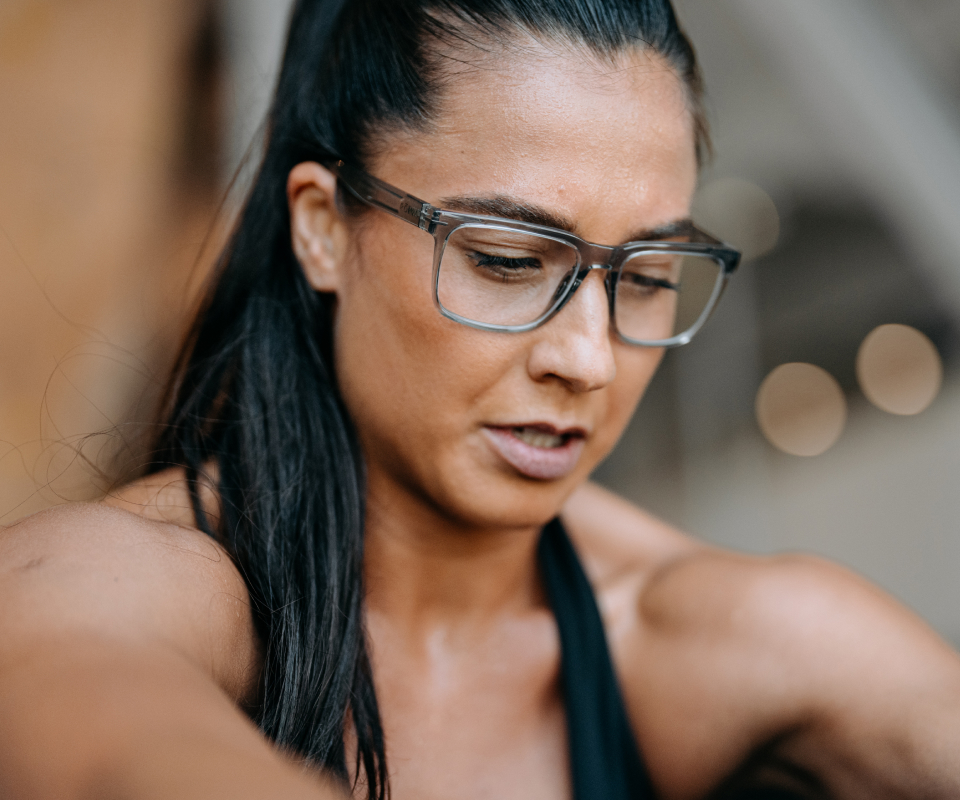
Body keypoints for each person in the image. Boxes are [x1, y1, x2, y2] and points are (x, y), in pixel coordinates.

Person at [2, 1, 960, 798]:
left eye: (646, 273)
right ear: (323, 229)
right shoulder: (113, 582)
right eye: (506, 259)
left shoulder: (706, 635)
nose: (589, 359)